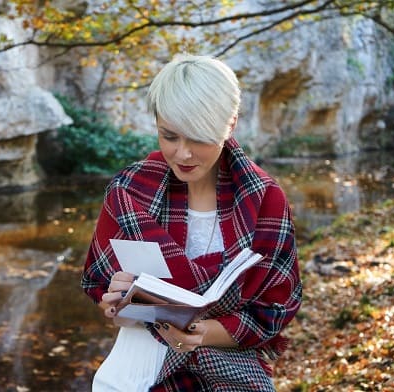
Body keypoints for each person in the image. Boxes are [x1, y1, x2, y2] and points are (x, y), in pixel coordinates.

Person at [81, 54, 302, 391]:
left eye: (198, 137)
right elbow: (102, 289)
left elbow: (274, 308)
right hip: (132, 374)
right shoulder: (128, 191)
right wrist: (113, 301)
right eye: (170, 136)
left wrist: (200, 335)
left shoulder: (264, 200)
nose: (183, 154)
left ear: (230, 124)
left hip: (226, 374)